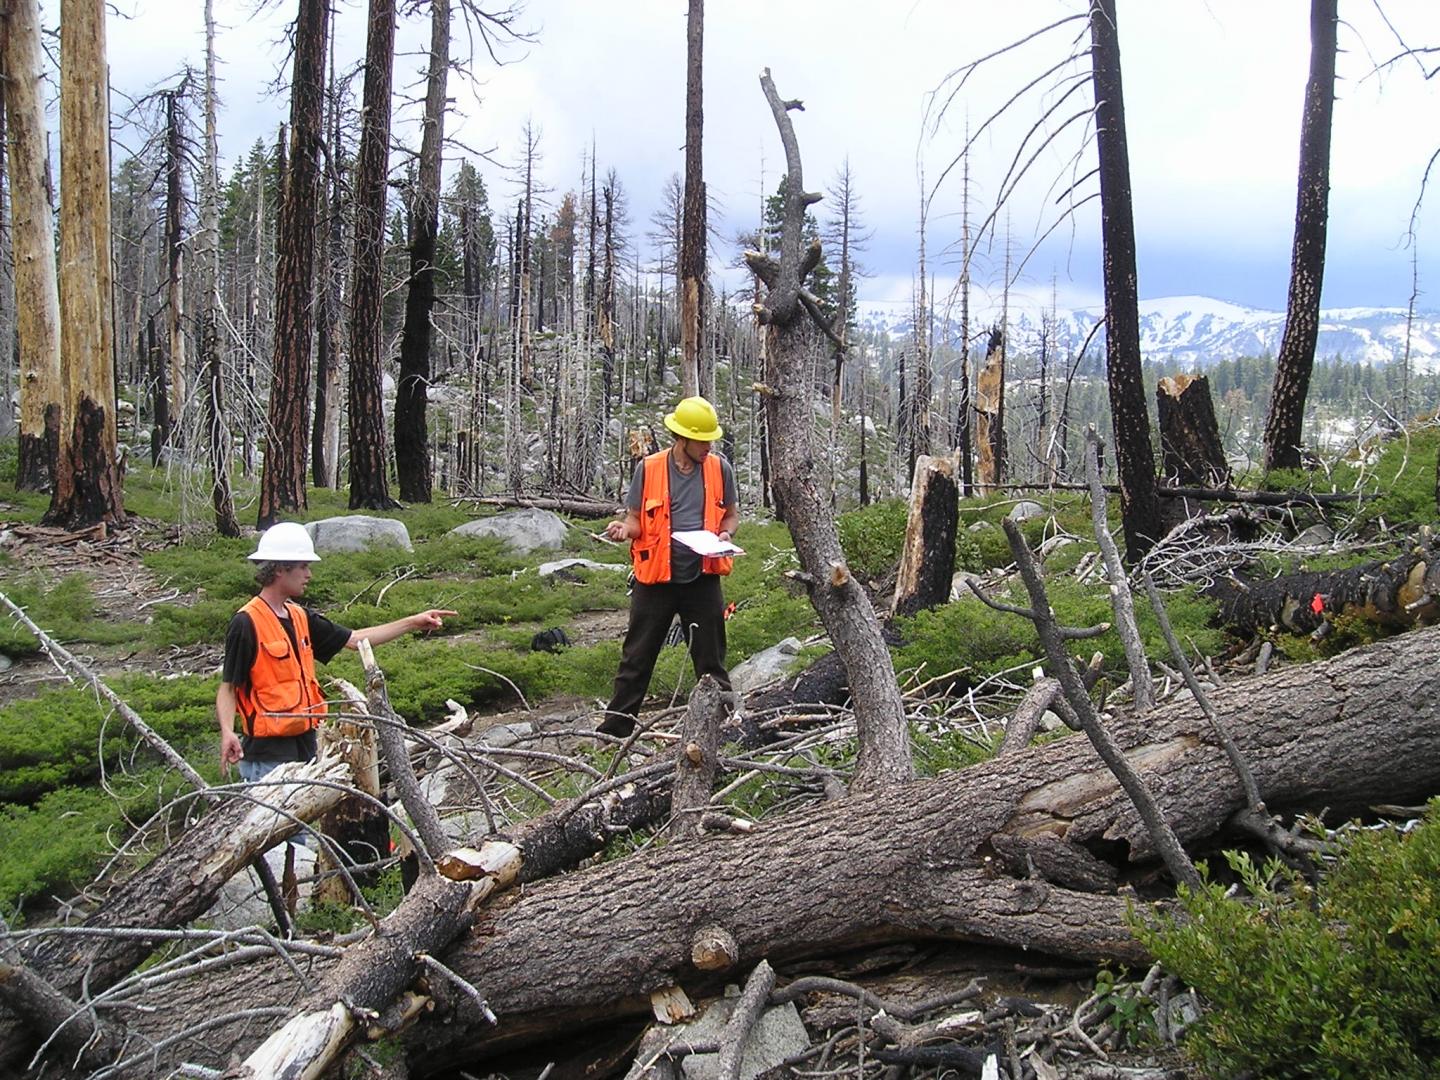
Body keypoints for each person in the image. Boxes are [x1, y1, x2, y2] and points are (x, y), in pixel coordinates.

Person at [218, 521, 458, 780]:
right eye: (303, 566)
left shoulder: (300, 617)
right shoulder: (246, 622)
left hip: (308, 748)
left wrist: (413, 622)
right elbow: (228, 688)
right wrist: (228, 732)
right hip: (267, 758)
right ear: (279, 569)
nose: (308, 574)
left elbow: (355, 640)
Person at [599, 396, 739, 736]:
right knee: (636, 658)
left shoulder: (721, 469)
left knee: (711, 661)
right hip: (656, 581)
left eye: (711, 440)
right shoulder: (648, 469)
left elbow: (732, 515)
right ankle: (613, 734)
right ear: (682, 438)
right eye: (702, 440)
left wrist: (725, 533)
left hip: (702, 578)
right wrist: (623, 529)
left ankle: (726, 728)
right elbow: (635, 521)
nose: (708, 446)